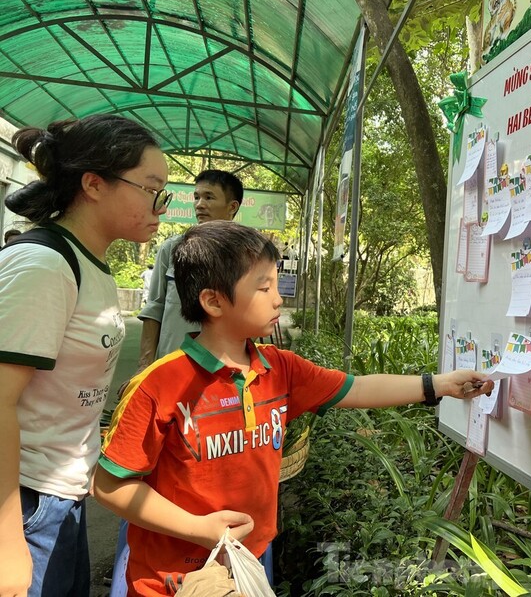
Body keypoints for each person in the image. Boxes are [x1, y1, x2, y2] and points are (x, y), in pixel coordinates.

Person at [94, 221, 492, 596]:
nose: (278, 297)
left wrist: (438, 385)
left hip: (251, 556)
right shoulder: (159, 386)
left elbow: (356, 389)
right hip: (173, 579)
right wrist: (200, 529)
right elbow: (109, 485)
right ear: (213, 301)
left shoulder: (280, 368)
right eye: (263, 287)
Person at [0, 113, 170, 596]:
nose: (162, 203)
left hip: (60, 496)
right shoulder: (44, 265)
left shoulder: (87, 263)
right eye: (151, 187)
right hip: (26, 505)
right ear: (94, 184)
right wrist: (7, 538)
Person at [138, 170, 243, 369]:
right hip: (170, 367)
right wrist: (144, 366)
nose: (199, 204)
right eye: (196, 197)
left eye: (209, 197)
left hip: (222, 371)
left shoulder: (246, 258)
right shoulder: (171, 249)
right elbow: (154, 309)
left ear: (232, 207)